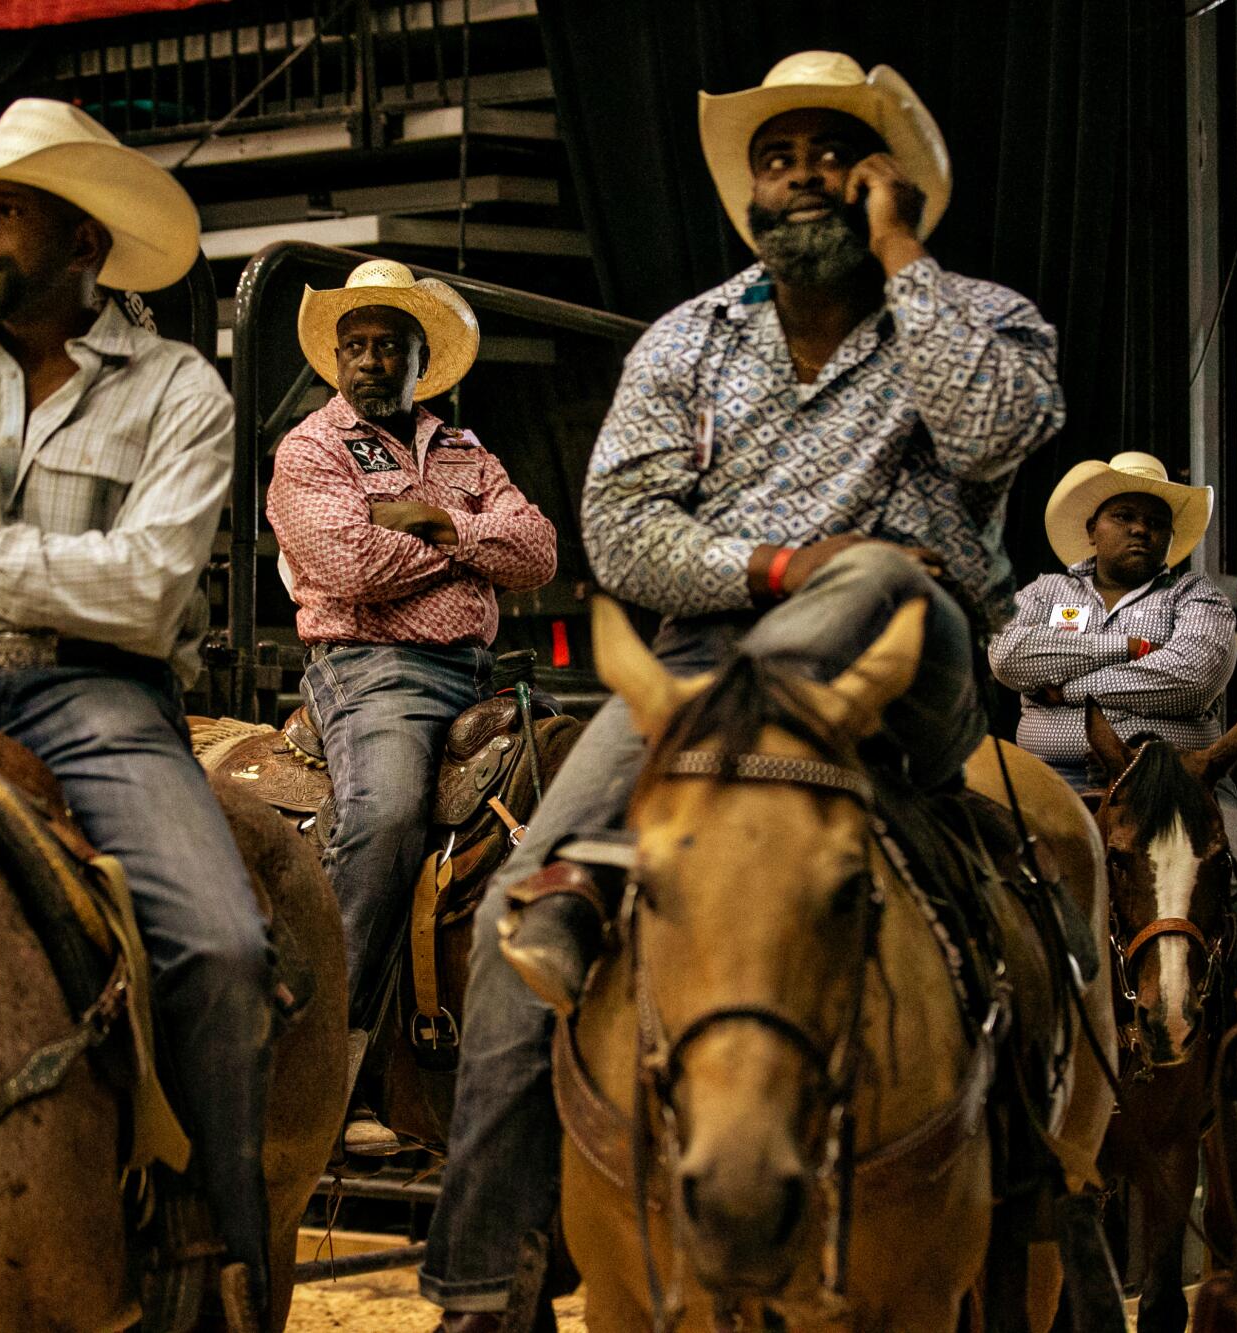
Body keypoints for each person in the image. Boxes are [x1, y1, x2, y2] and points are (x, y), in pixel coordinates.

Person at [420, 51, 1065, 1328]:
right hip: (697, 676)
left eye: (834, 151)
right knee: (513, 915)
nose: (801, 177)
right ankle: (482, 1277)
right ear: (748, 194)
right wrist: (779, 563)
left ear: (886, 179)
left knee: (884, 574)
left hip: (900, 666)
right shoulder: (685, 342)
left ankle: (1051, 1186)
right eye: (777, 159)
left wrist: (902, 259)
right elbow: (619, 532)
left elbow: (996, 433)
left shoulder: (981, 316)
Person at [0, 98, 276, 1324]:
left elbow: (141, 597)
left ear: (83, 244)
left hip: (97, 699)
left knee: (223, 947)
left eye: (3, 212)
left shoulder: (177, 389)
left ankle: (215, 1246)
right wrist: (10, 562)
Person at [267, 260, 557, 1157]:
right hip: (369, 668)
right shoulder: (310, 448)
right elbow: (351, 564)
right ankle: (328, 1068)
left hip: (481, 672)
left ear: (421, 361)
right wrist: (474, 547)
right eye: (355, 344)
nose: (369, 359)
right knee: (386, 815)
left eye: (388, 345)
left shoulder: (467, 451)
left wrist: (432, 523)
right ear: (334, 358)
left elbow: (539, 550)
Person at [988, 450, 1237, 974]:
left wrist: (1066, 686)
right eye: (1124, 517)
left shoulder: (1198, 599)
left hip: (1178, 784)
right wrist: (1128, 648)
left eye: (1155, 522)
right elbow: (1008, 658)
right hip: (1053, 778)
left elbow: (1188, 680)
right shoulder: (1042, 592)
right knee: (976, 893)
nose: (1141, 530)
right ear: (1091, 528)